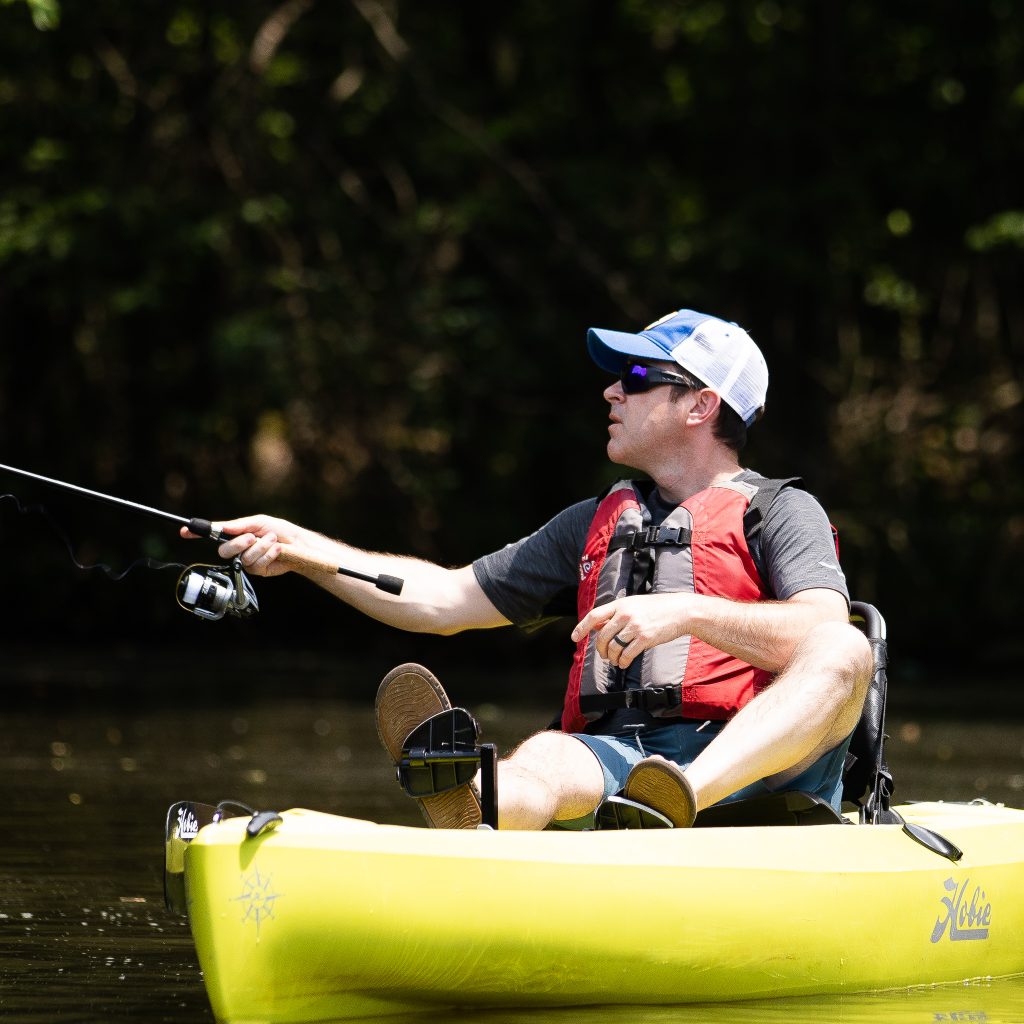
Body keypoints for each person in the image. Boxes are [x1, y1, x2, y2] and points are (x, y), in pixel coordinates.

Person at [184, 308, 872, 830]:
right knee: (547, 755)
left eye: (636, 378)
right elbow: (444, 599)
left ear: (701, 405)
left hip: (758, 771)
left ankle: (679, 797)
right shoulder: (592, 522)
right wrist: (305, 550)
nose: (612, 392)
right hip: (622, 766)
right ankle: (470, 801)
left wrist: (685, 613)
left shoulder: (780, 511)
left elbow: (818, 628)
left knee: (845, 645)